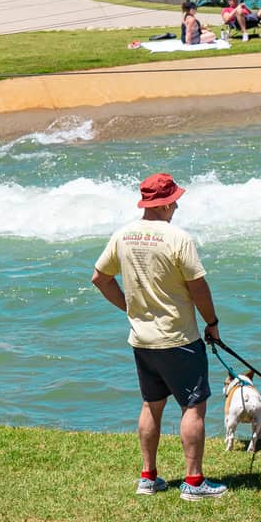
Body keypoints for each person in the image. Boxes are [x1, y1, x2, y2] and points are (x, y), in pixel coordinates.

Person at [91, 173, 227, 502]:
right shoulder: (177, 238)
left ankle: (148, 478)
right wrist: (212, 323)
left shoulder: (123, 235)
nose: (177, 204)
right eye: (175, 200)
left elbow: (100, 278)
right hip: (179, 339)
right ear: (164, 203)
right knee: (193, 407)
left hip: (142, 340)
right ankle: (194, 483)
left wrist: (128, 307)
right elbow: (199, 288)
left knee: (152, 406)